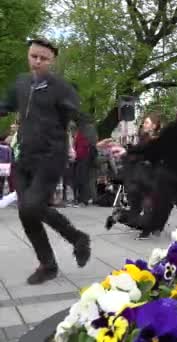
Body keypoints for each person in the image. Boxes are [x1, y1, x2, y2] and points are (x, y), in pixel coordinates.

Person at [0, 38, 91, 284]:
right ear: (28, 55)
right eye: (34, 56)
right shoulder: (21, 83)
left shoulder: (61, 87)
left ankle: (76, 238)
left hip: (51, 157)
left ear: (52, 61)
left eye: (43, 58)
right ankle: (49, 263)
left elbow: (81, 117)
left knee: (32, 206)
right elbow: (5, 106)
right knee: (26, 213)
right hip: (25, 157)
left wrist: (94, 141)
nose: (37, 62)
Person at [126, 89, 177, 239]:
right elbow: (155, 146)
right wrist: (129, 151)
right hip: (168, 177)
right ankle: (132, 222)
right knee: (156, 215)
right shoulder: (175, 127)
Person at [105, 113, 162, 230]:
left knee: (139, 214)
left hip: (140, 181)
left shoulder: (149, 139)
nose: (144, 125)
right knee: (148, 219)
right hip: (143, 182)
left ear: (154, 126)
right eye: (144, 122)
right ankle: (124, 215)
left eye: (147, 122)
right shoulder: (147, 140)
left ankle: (121, 215)